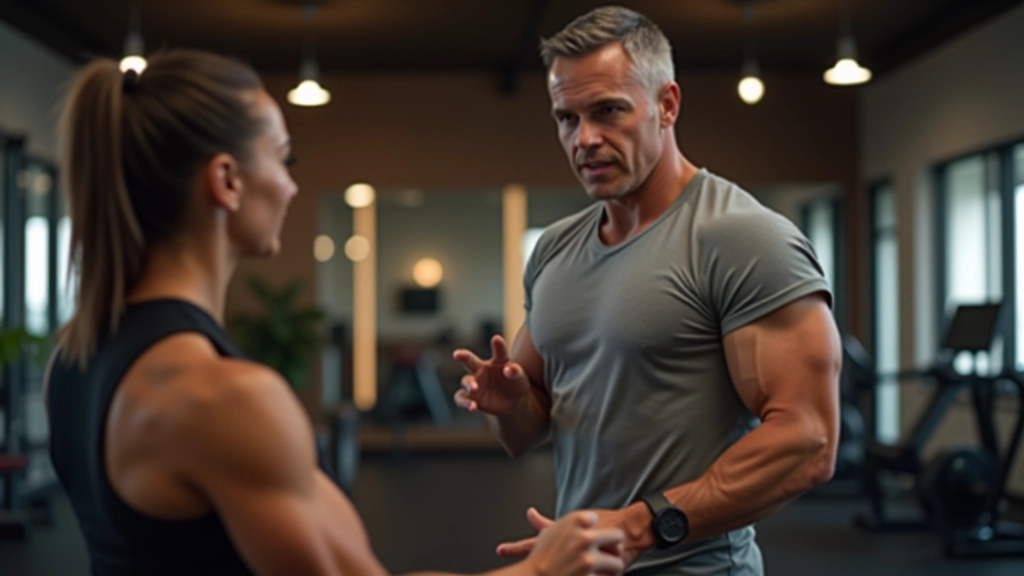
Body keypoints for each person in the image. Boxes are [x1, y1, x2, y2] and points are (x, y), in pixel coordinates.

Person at [44, 49, 626, 576]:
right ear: (226, 181)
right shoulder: (224, 399)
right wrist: (542, 570)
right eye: (284, 159)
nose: (292, 187)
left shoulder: (71, 363)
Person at [453, 6, 841, 575]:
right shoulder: (555, 249)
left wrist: (636, 528)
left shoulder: (741, 237)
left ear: (667, 105)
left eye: (608, 111)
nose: (584, 139)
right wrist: (510, 407)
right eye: (566, 118)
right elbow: (526, 430)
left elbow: (807, 441)